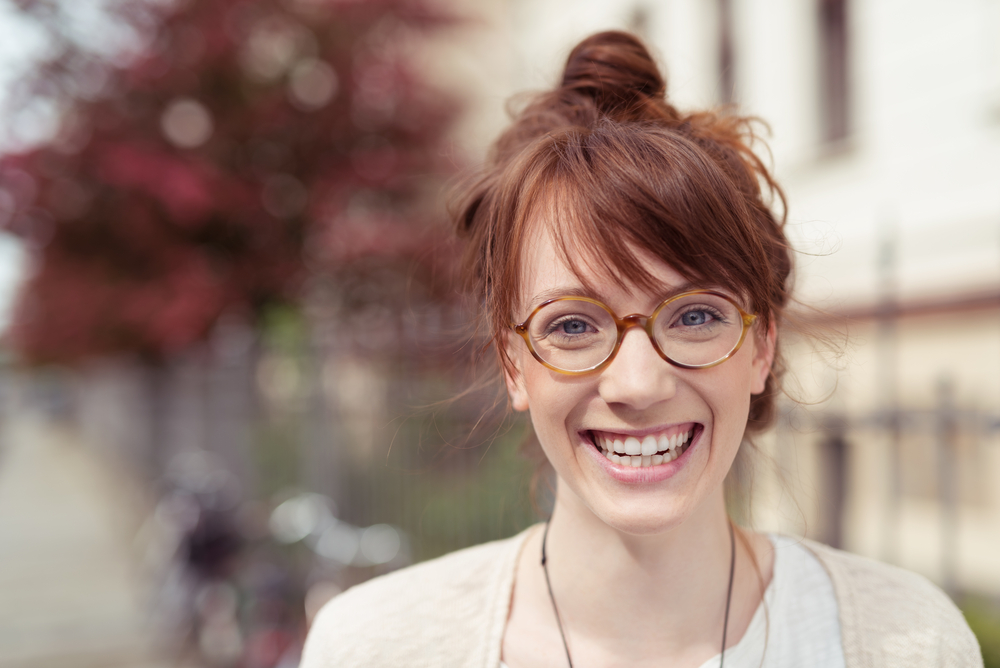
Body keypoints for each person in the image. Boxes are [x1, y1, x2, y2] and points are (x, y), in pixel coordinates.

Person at [301, 31, 982, 668]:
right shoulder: (377, 648)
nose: (638, 383)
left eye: (693, 315)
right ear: (512, 363)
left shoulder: (905, 642)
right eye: (571, 325)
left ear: (762, 344)